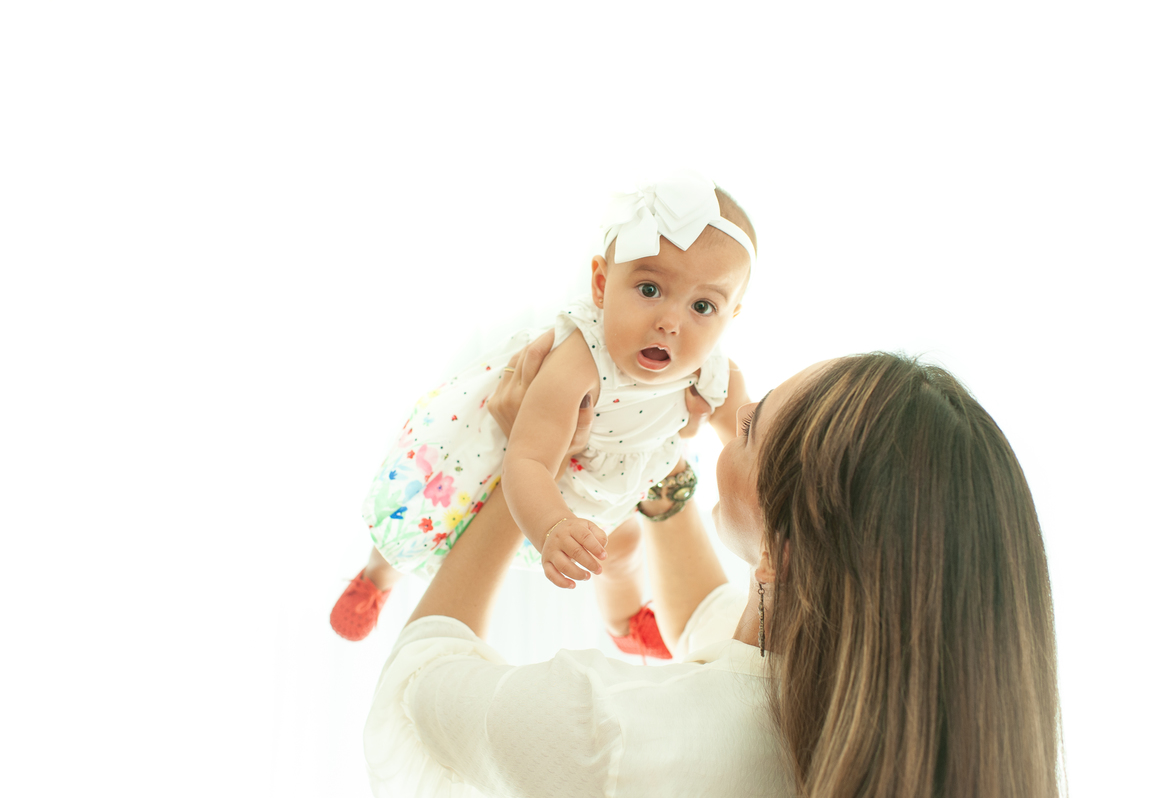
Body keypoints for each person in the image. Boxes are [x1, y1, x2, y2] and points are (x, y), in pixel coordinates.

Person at [362, 338, 1063, 798]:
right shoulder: (891, 718)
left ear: (784, 552)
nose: (732, 412)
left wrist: (527, 470)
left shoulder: (612, 730)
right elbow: (715, 628)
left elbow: (417, 684)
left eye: (750, 426)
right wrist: (657, 472)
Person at [331, 169, 755, 657]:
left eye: (703, 305)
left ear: (732, 314)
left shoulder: (714, 372)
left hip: (615, 487)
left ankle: (624, 620)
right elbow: (528, 460)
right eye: (649, 290)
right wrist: (553, 525)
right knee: (432, 517)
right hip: (518, 469)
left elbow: (750, 438)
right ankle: (377, 575)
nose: (670, 322)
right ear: (601, 284)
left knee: (621, 550)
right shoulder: (582, 361)